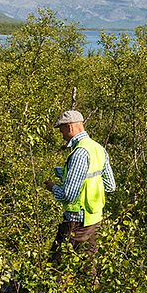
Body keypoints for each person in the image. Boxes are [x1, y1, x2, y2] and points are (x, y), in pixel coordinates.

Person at [44, 110, 116, 272]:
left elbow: (68, 196)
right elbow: (110, 185)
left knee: (57, 269)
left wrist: (52, 187)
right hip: (94, 219)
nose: (61, 134)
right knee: (88, 270)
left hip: (77, 221)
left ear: (69, 127)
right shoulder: (98, 148)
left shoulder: (80, 153)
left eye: (61, 130)